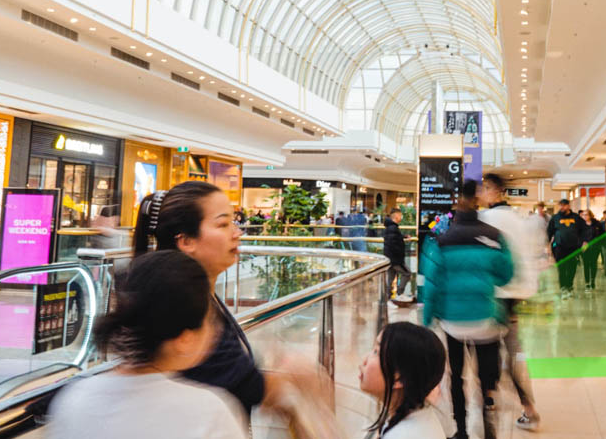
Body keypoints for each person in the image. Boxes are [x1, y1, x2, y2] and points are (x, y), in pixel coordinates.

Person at [133, 183, 325, 421]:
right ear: (186, 241)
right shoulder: (182, 313)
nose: (237, 232)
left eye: (233, 222)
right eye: (223, 224)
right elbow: (246, 385)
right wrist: (295, 378)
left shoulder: (200, 298)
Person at [48, 250, 246, 439]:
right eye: (210, 320)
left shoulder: (74, 399)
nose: (216, 330)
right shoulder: (209, 412)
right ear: (184, 339)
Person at [421, 180, 513, 439]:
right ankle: (486, 418)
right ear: (478, 203)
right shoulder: (494, 237)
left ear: (456, 206)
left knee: (457, 377)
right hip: (486, 318)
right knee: (486, 375)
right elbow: (507, 275)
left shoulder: (441, 240)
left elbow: (432, 284)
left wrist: (429, 319)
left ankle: (461, 430)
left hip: (453, 322)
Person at [479, 173, 543, 431]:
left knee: (489, 347)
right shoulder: (518, 218)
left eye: (484, 188)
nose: (480, 194)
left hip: (496, 293)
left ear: (493, 191)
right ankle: (525, 406)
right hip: (516, 294)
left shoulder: (488, 219)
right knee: (512, 348)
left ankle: (492, 397)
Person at [359, 321, 447, 439]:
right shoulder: (419, 416)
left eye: (376, 352)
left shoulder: (402, 434)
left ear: (399, 378)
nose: (365, 359)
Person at [547, 199, 583, 295]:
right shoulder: (555, 218)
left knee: (572, 268)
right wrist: (548, 246)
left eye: (564, 205)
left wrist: (584, 241)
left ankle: (569, 285)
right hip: (559, 247)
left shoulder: (576, 217)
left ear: (568, 206)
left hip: (573, 247)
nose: (562, 207)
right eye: (560, 205)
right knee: (562, 268)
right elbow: (549, 232)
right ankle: (563, 287)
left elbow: (584, 230)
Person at [383, 208, 411, 301]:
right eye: (400, 215)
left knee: (391, 278)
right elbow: (393, 242)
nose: (401, 217)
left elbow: (394, 237)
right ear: (396, 216)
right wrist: (399, 255)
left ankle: (387, 298)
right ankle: (400, 293)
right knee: (407, 273)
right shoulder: (393, 228)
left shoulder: (391, 227)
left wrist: (403, 236)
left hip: (389, 258)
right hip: (395, 259)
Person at [579, 209, 605, 291]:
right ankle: (587, 282)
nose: (585, 216)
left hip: (595, 248)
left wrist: (599, 244)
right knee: (586, 265)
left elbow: (602, 235)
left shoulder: (597, 224)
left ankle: (593, 280)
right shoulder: (581, 225)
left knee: (593, 264)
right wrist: (581, 243)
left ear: (590, 215)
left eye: (586, 215)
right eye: (583, 215)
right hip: (585, 248)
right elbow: (577, 236)